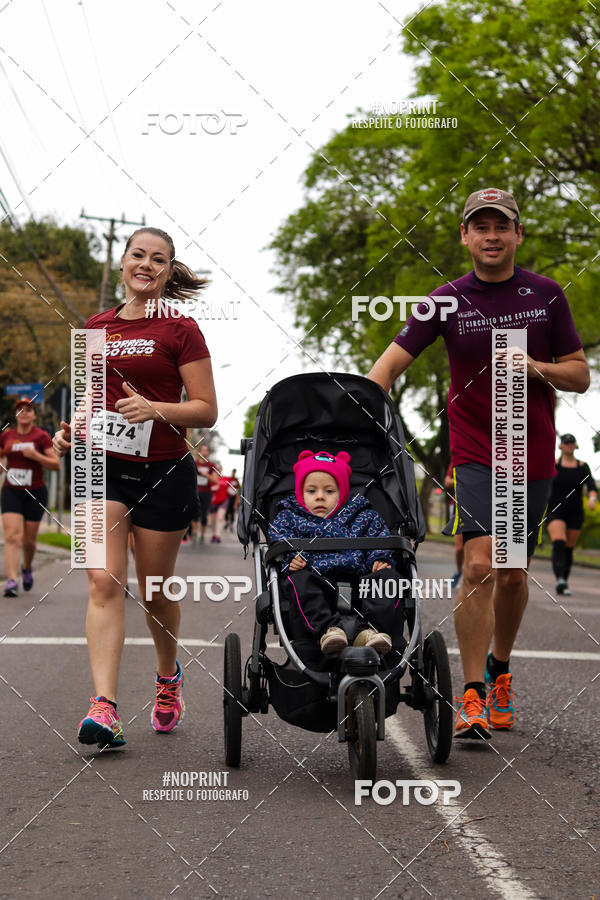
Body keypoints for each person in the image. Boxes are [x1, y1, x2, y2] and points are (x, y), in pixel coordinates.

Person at [368, 187, 590, 740]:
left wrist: (536, 367)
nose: (492, 236)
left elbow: (580, 374)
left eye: (501, 226)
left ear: (517, 234)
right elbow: (386, 368)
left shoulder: (546, 295)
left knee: (512, 574)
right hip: (473, 451)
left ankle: (499, 669)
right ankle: (471, 694)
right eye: (481, 227)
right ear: (465, 236)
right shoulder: (444, 301)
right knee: (478, 564)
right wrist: (359, 413)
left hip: (527, 451)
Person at [53, 226, 217, 749]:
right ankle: (104, 706)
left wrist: (155, 409)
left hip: (163, 470)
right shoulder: (95, 326)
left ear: (168, 272)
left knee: (155, 592)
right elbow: (90, 399)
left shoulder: (181, 329)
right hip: (99, 465)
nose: (146, 264)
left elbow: (206, 410)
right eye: (138, 255)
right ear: (123, 263)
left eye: (158, 259)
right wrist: (72, 429)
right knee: (102, 582)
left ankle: (168, 676)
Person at [268, 449, 405, 656]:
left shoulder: (363, 515)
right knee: (298, 581)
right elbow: (278, 538)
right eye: (311, 491)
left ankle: (369, 632)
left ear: (343, 493)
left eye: (329, 491)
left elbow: (380, 536)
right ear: (300, 492)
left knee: (389, 579)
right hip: (316, 581)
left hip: (361, 582)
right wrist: (291, 559)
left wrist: (379, 558)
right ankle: (329, 631)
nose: (320, 497)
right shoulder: (289, 517)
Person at [0, 398, 60, 596]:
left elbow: (55, 464)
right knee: (12, 536)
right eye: (20, 410)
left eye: (28, 409)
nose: (24, 413)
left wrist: (36, 456)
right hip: (11, 491)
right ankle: (12, 581)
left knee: (29, 542)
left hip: (35, 492)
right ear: (15, 414)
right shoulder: (7, 436)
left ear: (34, 415)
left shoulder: (41, 436)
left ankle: (26, 568)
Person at [546, 433, 597, 596]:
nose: (568, 445)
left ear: (575, 446)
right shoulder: (553, 465)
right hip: (555, 510)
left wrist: (592, 499)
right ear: (560, 446)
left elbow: (591, 486)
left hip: (575, 512)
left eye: (571, 443)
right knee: (559, 542)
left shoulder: (583, 467)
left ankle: (563, 581)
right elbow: (543, 484)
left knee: (568, 548)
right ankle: (560, 579)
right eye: (565, 442)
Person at [444, 462, 464, 588]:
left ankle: (471, 574)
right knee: (460, 547)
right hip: (459, 504)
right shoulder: (459, 458)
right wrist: (464, 480)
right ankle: (458, 570)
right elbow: (447, 482)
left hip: (482, 505)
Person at [195, 443, 218, 543]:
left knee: (204, 514)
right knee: (194, 513)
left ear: (208, 453)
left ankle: (202, 535)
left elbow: (215, 481)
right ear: (199, 452)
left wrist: (207, 475)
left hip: (206, 493)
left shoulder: (211, 465)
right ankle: (194, 533)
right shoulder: (194, 463)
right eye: (202, 450)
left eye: (206, 450)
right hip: (195, 492)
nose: (204, 452)